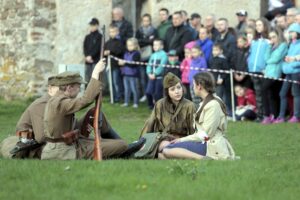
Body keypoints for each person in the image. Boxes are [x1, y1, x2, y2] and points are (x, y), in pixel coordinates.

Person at [41, 60, 129, 160]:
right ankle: (127, 149)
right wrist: (95, 73)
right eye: (79, 87)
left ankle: (125, 147)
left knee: (94, 115)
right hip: (63, 151)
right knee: (122, 145)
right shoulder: (60, 102)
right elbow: (85, 100)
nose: (79, 90)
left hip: (69, 144)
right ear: (69, 87)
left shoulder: (57, 100)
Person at [159, 72, 236, 160]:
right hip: (203, 142)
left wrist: (182, 140)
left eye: (194, 84)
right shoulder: (207, 102)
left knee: (166, 150)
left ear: (199, 86)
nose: (193, 87)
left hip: (210, 144)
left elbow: (206, 135)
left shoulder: (213, 104)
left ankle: (204, 159)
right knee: (161, 150)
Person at [0, 76, 59, 159]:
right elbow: (41, 137)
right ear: (50, 89)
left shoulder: (57, 104)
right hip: (27, 144)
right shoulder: (42, 104)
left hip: (38, 142)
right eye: (60, 89)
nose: (64, 92)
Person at [141, 72, 196, 156]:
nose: (177, 91)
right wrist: (142, 141)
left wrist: (192, 143)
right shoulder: (160, 104)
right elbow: (150, 123)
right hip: (163, 139)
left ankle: (165, 154)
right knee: (164, 145)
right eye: (172, 89)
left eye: (178, 87)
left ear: (182, 88)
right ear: (167, 92)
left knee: (168, 148)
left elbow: (193, 129)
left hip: (181, 140)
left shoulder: (189, 105)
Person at [274, 23, 300, 123]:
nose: (290, 34)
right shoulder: (291, 44)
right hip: (288, 71)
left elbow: (296, 59)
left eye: (292, 31)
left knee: (296, 94)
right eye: (290, 32)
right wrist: (286, 64)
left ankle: (296, 116)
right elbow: (288, 57)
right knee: (282, 93)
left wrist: (292, 62)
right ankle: (281, 116)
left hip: (296, 72)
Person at [261, 28, 288, 124]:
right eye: (270, 37)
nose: (272, 39)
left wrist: (269, 59)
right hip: (268, 73)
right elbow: (266, 58)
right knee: (272, 94)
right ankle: (274, 115)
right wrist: (268, 47)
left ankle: (267, 115)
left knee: (263, 90)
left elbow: (275, 59)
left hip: (275, 74)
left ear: (278, 36)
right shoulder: (271, 46)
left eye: (274, 37)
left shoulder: (283, 45)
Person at [248, 18, 271, 122]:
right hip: (253, 70)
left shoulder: (268, 41)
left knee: (263, 93)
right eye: (256, 25)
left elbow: (268, 55)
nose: (258, 27)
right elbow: (251, 54)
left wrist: (265, 68)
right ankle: (260, 114)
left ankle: (264, 114)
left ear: (265, 26)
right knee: (258, 93)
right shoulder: (254, 41)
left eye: (260, 25)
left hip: (263, 70)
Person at [135, 13, 157, 102]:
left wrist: (146, 41)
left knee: (150, 77)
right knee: (143, 77)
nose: (146, 22)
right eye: (144, 20)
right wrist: (148, 41)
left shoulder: (154, 30)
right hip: (142, 57)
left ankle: (152, 95)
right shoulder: (139, 31)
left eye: (147, 20)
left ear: (150, 21)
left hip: (151, 57)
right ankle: (145, 94)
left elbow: (154, 41)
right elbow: (137, 41)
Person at [104, 24, 126, 103]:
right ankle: (112, 96)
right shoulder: (107, 42)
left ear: (117, 32)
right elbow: (104, 53)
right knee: (110, 82)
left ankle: (119, 96)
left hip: (116, 65)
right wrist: (105, 53)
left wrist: (111, 52)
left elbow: (120, 51)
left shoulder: (120, 42)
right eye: (110, 32)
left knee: (116, 82)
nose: (112, 33)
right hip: (109, 65)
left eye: (113, 32)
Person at [145, 39, 168, 109]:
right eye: (154, 45)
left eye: (157, 45)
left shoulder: (164, 55)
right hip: (151, 77)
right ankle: (151, 106)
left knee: (158, 94)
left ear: (162, 46)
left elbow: (161, 66)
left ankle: (159, 107)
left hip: (159, 78)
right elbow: (149, 65)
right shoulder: (152, 55)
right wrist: (149, 73)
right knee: (148, 92)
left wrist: (155, 74)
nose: (154, 46)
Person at [209, 43, 231, 115]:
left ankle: (224, 112)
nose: (214, 51)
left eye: (216, 50)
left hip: (220, 83)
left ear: (221, 51)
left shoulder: (223, 60)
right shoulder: (212, 59)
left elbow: (225, 71)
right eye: (213, 50)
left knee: (220, 97)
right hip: (213, 82)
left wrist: (221, 78)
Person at [119, 38, 141, 108]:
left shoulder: (137, 53)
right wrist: (121, 63)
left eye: (131, 45)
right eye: (128, 45)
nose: (129, 47)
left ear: (135, 46)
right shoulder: (126, 53)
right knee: (126, 89)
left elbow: (133, 64)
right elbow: (124, 61)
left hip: (133, 75)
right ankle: (126, 102)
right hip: (126, 74)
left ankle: (136, 103)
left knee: (134, 89)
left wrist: (124, 63)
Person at [83, 18, 102, 83]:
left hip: (95, 60)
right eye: (91, 25)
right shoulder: (87, 37)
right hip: (88, 60)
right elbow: (85, 47)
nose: (92, 27)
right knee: (87, 77)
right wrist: (86, 56)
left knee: (95, 78)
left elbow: (98, 48)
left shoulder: (100, 36)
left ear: (97, 25)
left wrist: (91, 56)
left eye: (93, 25)